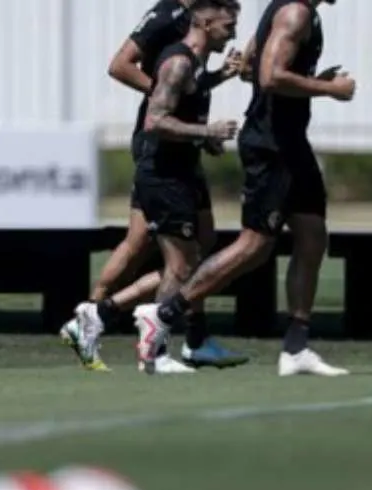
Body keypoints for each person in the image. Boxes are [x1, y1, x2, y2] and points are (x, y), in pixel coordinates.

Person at [133, 0, 354, 377]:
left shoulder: (296, 12)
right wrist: (329, 88)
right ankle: (164, 314)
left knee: (312, 233)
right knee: (254, 246)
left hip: (291, 140)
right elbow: (269, 77)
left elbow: (251, 67)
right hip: (272, 144)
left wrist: (310, 80)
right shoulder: (294, 13)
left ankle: (296, 347)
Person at [61, 0, 247, 374]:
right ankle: (154, 352)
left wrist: (216, 85)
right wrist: (203, 130)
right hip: (163, 168)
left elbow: (183, 98)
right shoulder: (177, 57)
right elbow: (156, 119)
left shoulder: (192, 63)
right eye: (228, 27)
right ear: (206, 23)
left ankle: (97, 315)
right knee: (178, 265)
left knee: (190, 260)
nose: (234, 35)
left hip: (178, 163)